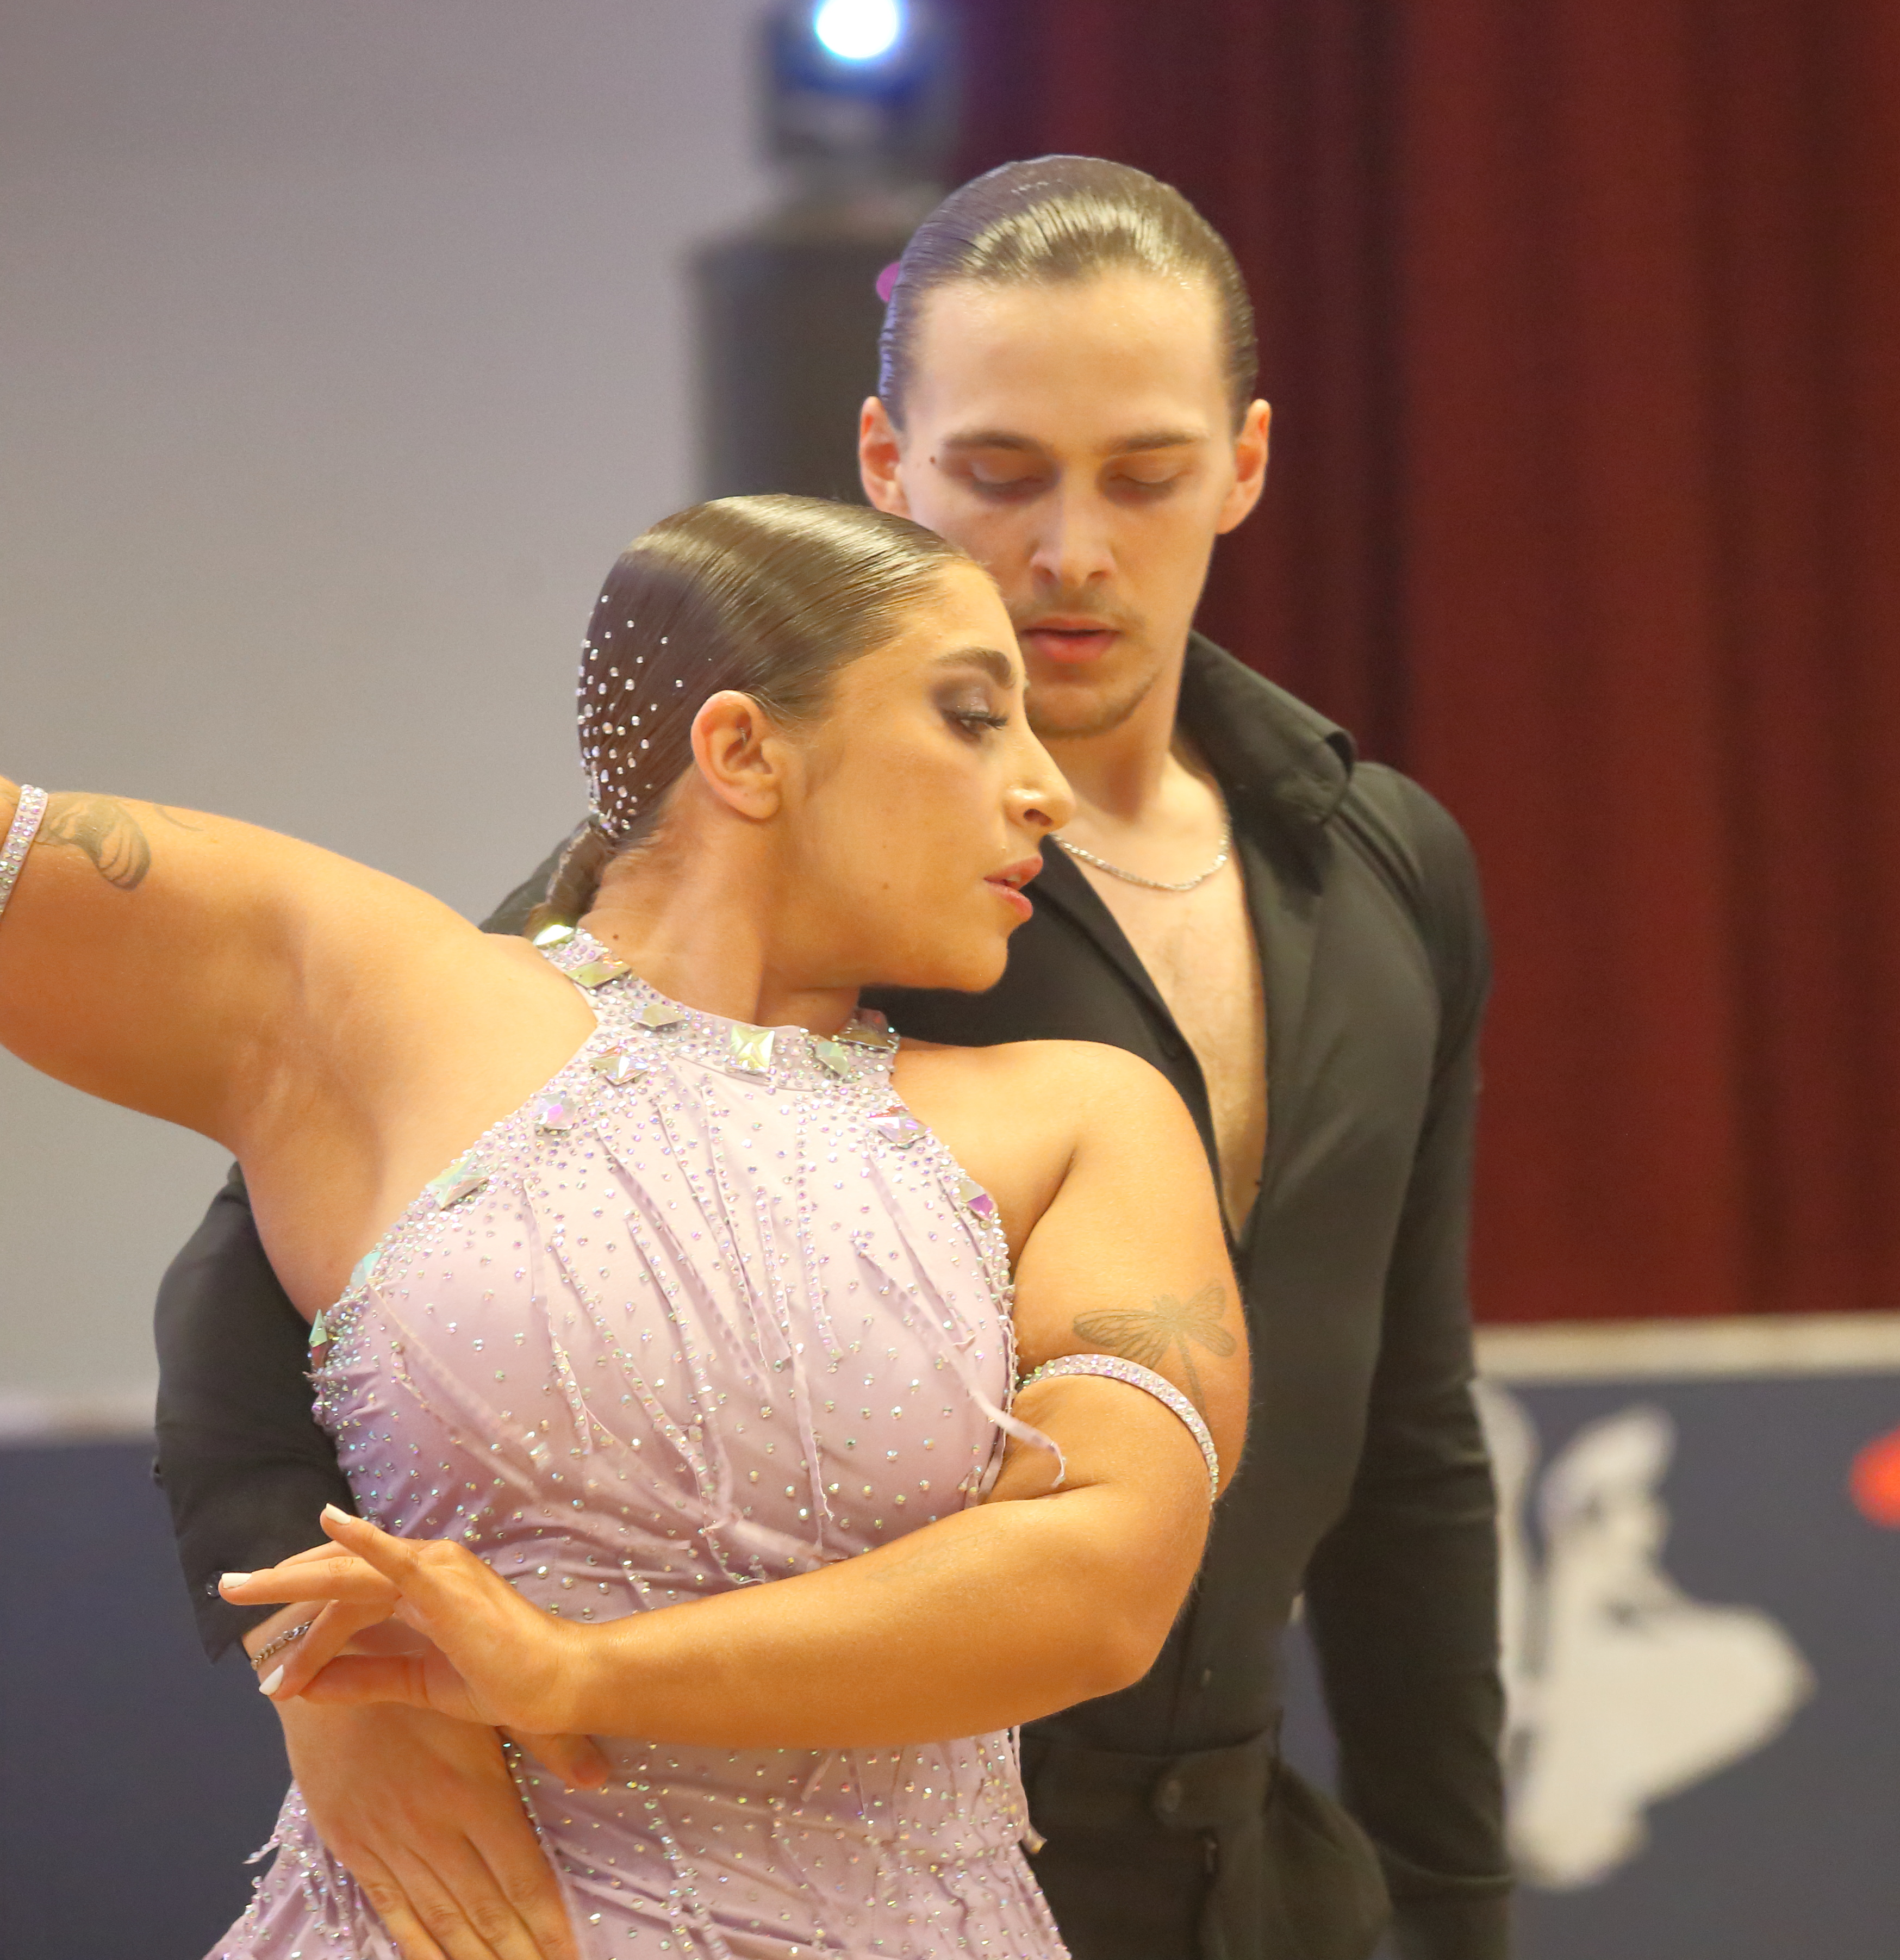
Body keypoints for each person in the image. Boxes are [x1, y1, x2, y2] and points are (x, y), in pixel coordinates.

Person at [158, 159, 1510, 1959]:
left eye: (1144, 475)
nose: (1073, 550)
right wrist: (329, 1684)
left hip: (1249, 1866)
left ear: (1246, 466)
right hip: (819, 1850)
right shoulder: (735, 862)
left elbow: (1408, 1434)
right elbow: (248, 1313)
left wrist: (1460, 1905)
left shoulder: (1385, 861)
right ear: (888, 462)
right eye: (1001, 474)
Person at [0, 495, 1250, 1959]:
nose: (1046, 789)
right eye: (973, 716)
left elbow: (1105, 1583)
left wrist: (574, 1673)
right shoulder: (380, 997)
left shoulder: (1085, 1118)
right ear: (743, 751)